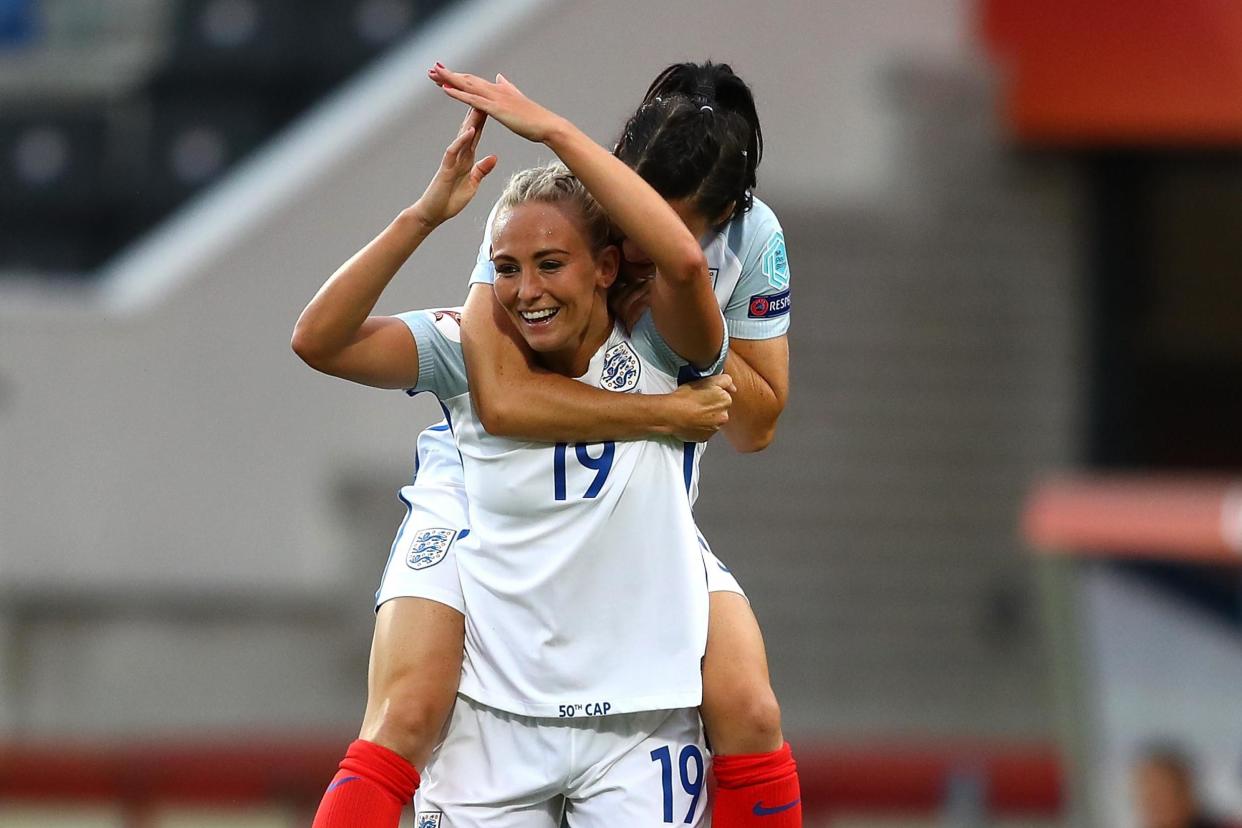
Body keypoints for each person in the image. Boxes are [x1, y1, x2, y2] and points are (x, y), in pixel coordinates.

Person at [306, 61, 800, 828]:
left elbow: (755, 418)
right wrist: (666, 412)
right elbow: (498, 400)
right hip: (481, 495)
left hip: (630, 510)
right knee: (408, 710)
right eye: (512, 269)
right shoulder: (548, 218)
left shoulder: (696, 294)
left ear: (719, 223)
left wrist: (685, 351)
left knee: (748, 704)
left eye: (652, 232)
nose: (634, 248)